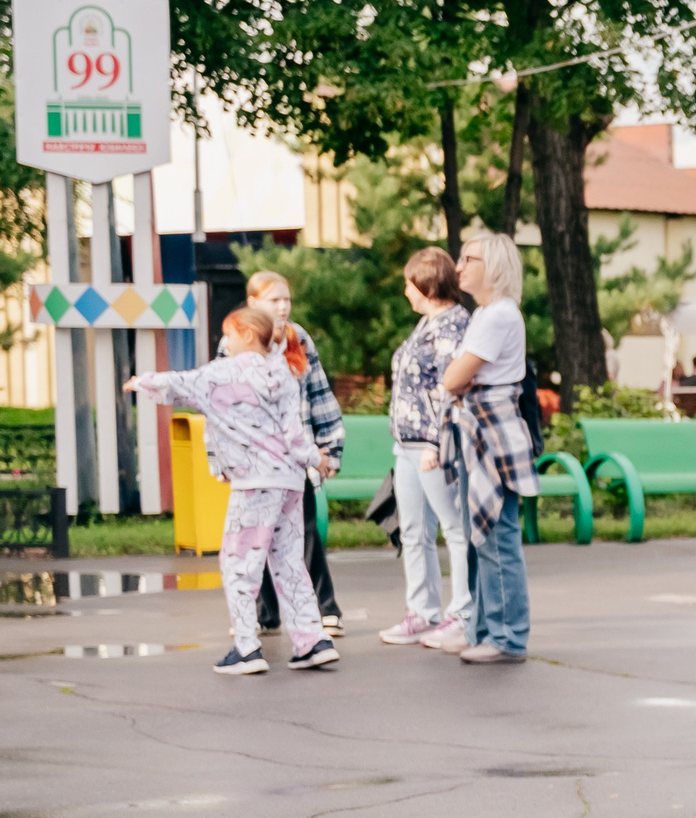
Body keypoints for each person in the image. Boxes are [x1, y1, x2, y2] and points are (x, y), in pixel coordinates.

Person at [126, 310, 338, 675]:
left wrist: (140, 382)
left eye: (229, 334)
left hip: (254, 483)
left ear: (247, 334)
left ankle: (246, 647)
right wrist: (314, 459)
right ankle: (312, 640)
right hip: (288, 481)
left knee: (239, 562)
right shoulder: (284, 373)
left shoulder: (223, 373)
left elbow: (178, 383)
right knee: (287, 560)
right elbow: (294, 432)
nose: (225, 342)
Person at [437, 231, 539, 664]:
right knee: (482, 535)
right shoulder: (486, 314)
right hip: (480, 428)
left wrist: (459, 377)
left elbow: (452, 379)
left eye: (468, 258)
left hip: (490, 431)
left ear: (493, 265)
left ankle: (506, 636)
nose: (458, 267)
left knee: (496, 536)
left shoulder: (497, 316)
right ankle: (482, 628)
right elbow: (458, 376)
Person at [381, 248, 474, 647]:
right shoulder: (425, 325)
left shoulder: (453, 326)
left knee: (453, 528)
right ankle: (421, 611)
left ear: (428, 284)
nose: (405, 291)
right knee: (414, 531)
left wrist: (438, 441)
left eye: (409, 282)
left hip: (433, 445)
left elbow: (449, 389)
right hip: (407, 444)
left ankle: (462, 611)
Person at [244, 271, 345, 633]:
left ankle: (325, 608)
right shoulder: (236, 339)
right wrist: (219, 457)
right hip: (253, 460)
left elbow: (319, 394)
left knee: (303, 532)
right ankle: (263, 613)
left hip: (291, 459)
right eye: (275, 300)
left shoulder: (297, 337)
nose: (284, 306)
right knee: (255, 537)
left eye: (287, 299)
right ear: (254, 303)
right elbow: (220, 399)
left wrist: (330, 446)